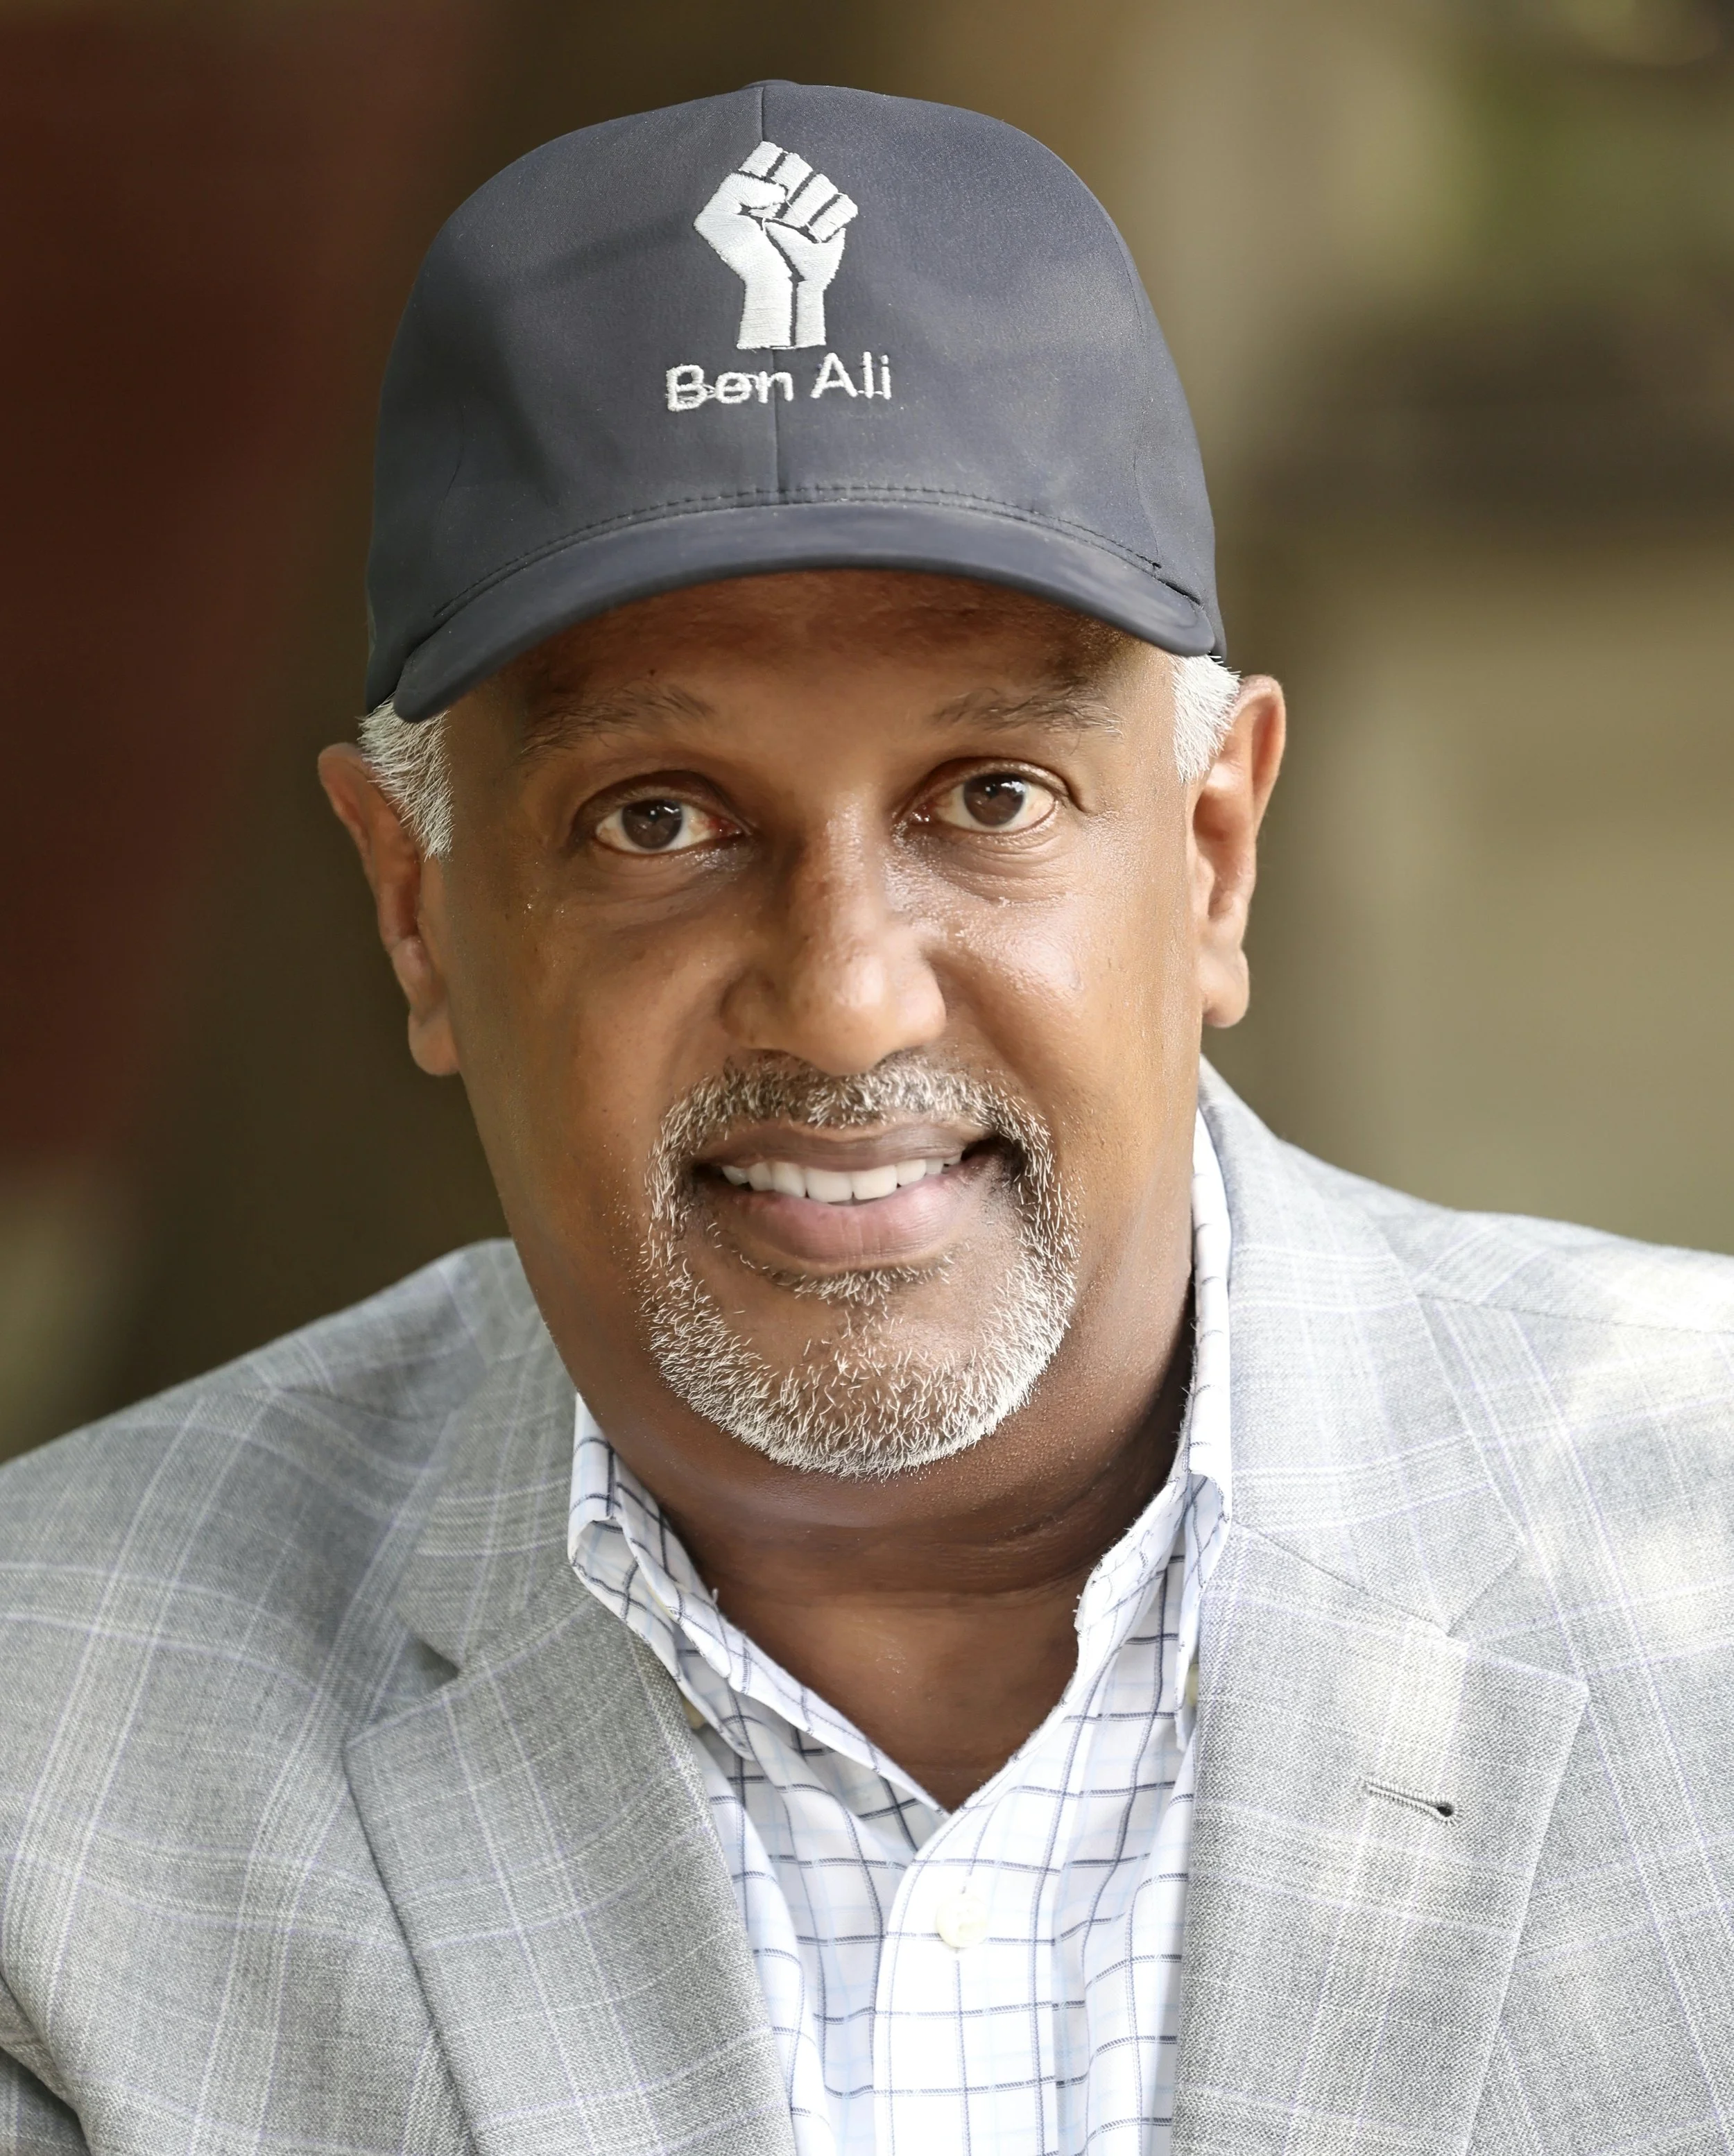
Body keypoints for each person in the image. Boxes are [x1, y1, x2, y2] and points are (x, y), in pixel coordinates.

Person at [2, 80, 1731, 2156]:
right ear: (417, 908)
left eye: (987, 795)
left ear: (1211, 854)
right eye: (657, 817)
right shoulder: (49, 1742)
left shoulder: (1691, 1556)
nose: (841, 995)